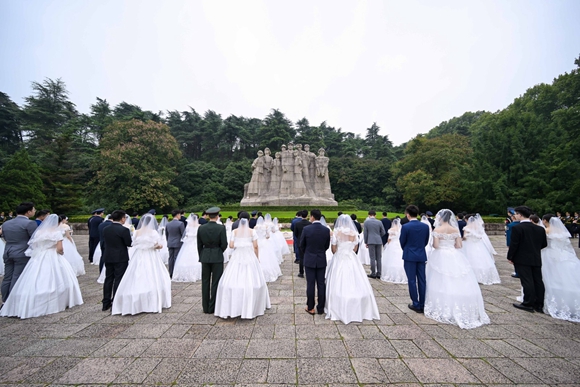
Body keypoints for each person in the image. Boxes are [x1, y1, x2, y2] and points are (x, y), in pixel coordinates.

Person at [1, 214, 83, 318]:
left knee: (33, 276)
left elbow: (34, 246)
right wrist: (61, 254)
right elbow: (60, 249)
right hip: (52, 254)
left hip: (39, 255)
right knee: (57, 277)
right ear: (58, 223)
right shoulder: (56, 233)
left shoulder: (39, 232)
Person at [424, 209, 490, 329]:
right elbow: (459, 245)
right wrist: (451, 246)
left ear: (440, 218)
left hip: (440, 255)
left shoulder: (437, 230)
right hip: (454, 254)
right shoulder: (455, 229)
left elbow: (436, 245)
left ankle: (443, 303)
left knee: (439, 279)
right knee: (458, 278)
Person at [112, 214, 171, 315]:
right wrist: (155, 246)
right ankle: (151, 300)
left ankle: (136, 300)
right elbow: (159, 245)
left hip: (138, 256)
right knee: (153, 275)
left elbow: (134, 244)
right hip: (151, 256)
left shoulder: (136, 232)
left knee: (136, 275)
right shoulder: (153, 232)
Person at [325, 214, 380, 324]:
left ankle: (338, 304)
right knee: (356, 279)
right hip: (351, 257)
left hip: (339, 257)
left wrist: (339, 253)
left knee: (338, 280)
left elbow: (333, 249)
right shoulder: (354, 234)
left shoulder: (336, 233)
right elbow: (355, 249)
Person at [214, 218, 271, 319]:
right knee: (252, 277)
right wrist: (257, 258)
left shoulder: (234, 231)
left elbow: (231, 246)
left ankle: (234, 305)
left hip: (237, 255)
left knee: (233, 276)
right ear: (248, 221)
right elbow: (256, 246)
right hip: (249, 255)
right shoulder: (252, 231)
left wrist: (239, 245)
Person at [508, 206, 548, 313]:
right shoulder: (540, 229)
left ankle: (528, 303)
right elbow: (544, 244)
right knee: (538, 280)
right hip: (536, 257)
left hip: (522, 258)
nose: (515, 216)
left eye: (516, 214)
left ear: (520, 215)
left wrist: (510, 256)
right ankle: (539, 304)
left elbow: (514, 244)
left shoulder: (518, 228)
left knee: (527, 281)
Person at [540, 214, 580, 322]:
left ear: (545, 220)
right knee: (567, 276)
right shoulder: (562, 230)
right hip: (563, 254)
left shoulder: (547, 230)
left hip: (549, 254)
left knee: (550, 276)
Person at [1, 202, 37, 303]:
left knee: (7, 277)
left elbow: (5, 237)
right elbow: (34, 239)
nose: (34, 212)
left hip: (8, 251)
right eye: (34, 210)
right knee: (17, 276)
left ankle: (4, 300)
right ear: (28, 212)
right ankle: (13, 302)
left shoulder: (6, 223)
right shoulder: (30, 223)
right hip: (22, 252)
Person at [197, 206, 228, 314]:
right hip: (217, 255)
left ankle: (205, 307)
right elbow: (224, 244)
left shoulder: (201, 228)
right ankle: (213, 306)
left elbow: (199, 245)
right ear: (217, 215)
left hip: (205, 255)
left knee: (205, 282)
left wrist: (202, 254)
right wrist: (219, 251)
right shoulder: (221, 228)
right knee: (216, 282)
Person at [299, 209, 330, 315]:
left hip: (309, 259)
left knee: (310, 284)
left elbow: (302, 244)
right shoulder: (326, 230)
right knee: (321, 284)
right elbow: (326, 246)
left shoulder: (307, 229)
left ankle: (310, 307)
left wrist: (308, 253)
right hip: (321, 258)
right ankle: (320, 308)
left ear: (312, 216)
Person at [400, 205, 430, 313]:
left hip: (409, 255)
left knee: (412, 280)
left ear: (407, 214)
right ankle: (422, 303)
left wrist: (407, 249)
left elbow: (402, 241)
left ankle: (416, 303)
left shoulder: (406, 227)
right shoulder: (425, 226)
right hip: (421, 254)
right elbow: (426, 241)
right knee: (422, 280)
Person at [101, 210, 132, 311]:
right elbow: (128, 243)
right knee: (119, 279)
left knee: (108, 279)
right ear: (122, 218)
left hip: (108, 256)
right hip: (120, 257)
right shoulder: (124, 230)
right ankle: (116, 300)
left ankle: (106, 302)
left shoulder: (106, 229)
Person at [462, 214, 501, 285]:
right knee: (481, 258)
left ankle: (473, 276)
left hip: (469, 244)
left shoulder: (467, 227)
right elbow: (480, 237)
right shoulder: (479, 227)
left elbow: (464, 237)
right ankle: (483, 276)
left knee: (470, 258)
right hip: (478, 244)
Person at [173, 214, 202, 282]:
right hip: (195, 242)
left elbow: (186, 234)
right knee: (196, 256)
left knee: (185, 256)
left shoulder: (188, 225)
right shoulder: (198, 226)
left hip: (189, 242)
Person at [254, 216, 282, 282]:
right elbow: (268, 236)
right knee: (267, 256)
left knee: (258, 254)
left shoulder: (255, 227)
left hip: (258, 241)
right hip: (264, 241)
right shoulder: (265, 227)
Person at [380, 218, 407, 284]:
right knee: (399, 259)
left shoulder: (392, 230)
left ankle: (390, 274)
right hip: (399, 244)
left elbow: (389, 239)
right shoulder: (401, 229)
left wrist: (388, 244)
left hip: (393, 244)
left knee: (390, 258)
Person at [364, 210, 386, 279]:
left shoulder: (366, 222)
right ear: (375, 215)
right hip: (378, 240)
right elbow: (383, 232)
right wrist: (378, 236)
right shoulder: (379, 222)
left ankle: (373, 273)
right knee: (379, 258)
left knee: (372, 257)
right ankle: (379, 273)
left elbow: (365, 233)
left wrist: (366, 241)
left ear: (369, 215)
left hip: (370, 240)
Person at [166, 209, 185, 278]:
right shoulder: (180, 224)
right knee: (176, 258)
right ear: (177, 215)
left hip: (170, 242)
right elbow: (183, 234)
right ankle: (175, 272)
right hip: (178, 243)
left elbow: (167, 234)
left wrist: (168, 241)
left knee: (170, 258)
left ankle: (171, 272)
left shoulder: (168, 224)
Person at [293, 210, 311, 278]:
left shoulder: (298, 224)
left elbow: (296, 233)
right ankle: (308, 271)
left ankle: (301, 272)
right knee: (308, 257)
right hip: (308, 242)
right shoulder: (310, 224)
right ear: (307, 215)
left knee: (301, 258)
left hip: (300, 241)